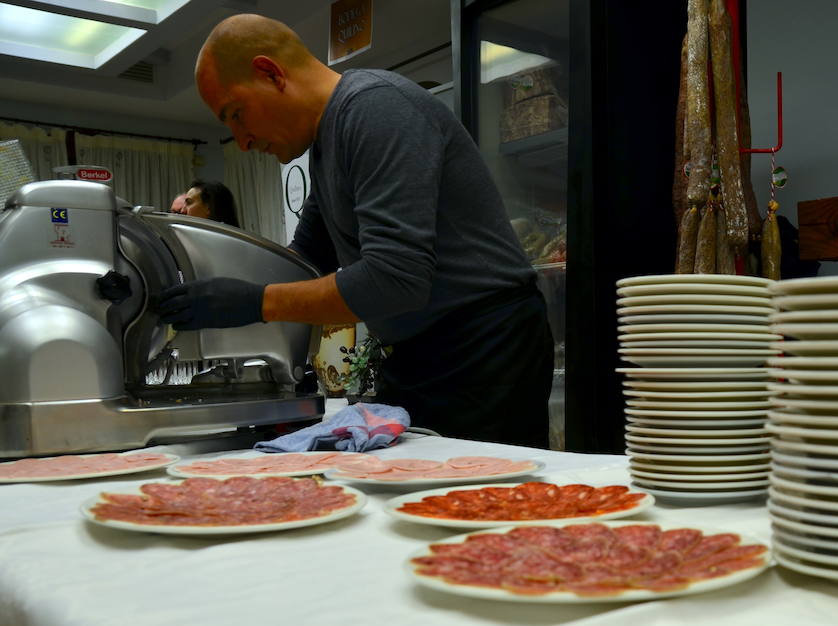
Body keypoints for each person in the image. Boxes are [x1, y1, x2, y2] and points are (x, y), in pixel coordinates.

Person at [151, 13, 553, 448]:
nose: (242, 141)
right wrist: (204, 289)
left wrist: (253, 302)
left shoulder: (374, 107)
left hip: (485, 346)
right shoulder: (326, 145)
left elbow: (395, 279)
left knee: (481, 487)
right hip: (419, 352)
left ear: (271, 73)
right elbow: (299, 262)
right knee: (402, 481)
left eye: (236, 114)